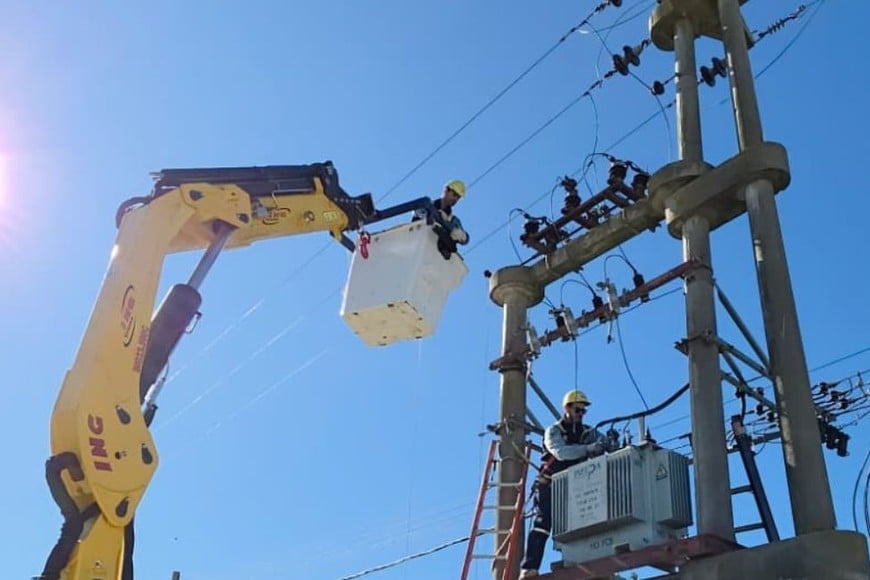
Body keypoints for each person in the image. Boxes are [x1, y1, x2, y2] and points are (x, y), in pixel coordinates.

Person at [519, 389, 613, 578]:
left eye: (583, 411)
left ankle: (582, 560)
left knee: (583, 520)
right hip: (551, 483)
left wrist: (609, 443)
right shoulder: (553, 431)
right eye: (578, 410)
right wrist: (588, 449)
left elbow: (606, 444)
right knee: (543, 524)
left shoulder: (588, 432)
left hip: (576, 484)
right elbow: (561, 453)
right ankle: (529, 568)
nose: (580, 414)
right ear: (567, 408)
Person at [413, 178, 469, 259]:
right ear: (446, 190)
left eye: (458, 197)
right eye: (454, 195)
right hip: (417, 242)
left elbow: (466, 240)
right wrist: (436, 215)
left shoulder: (453, 220)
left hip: (434, 254)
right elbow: (418, 214)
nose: (455, 199)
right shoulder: (427, 205)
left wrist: (463, 236)